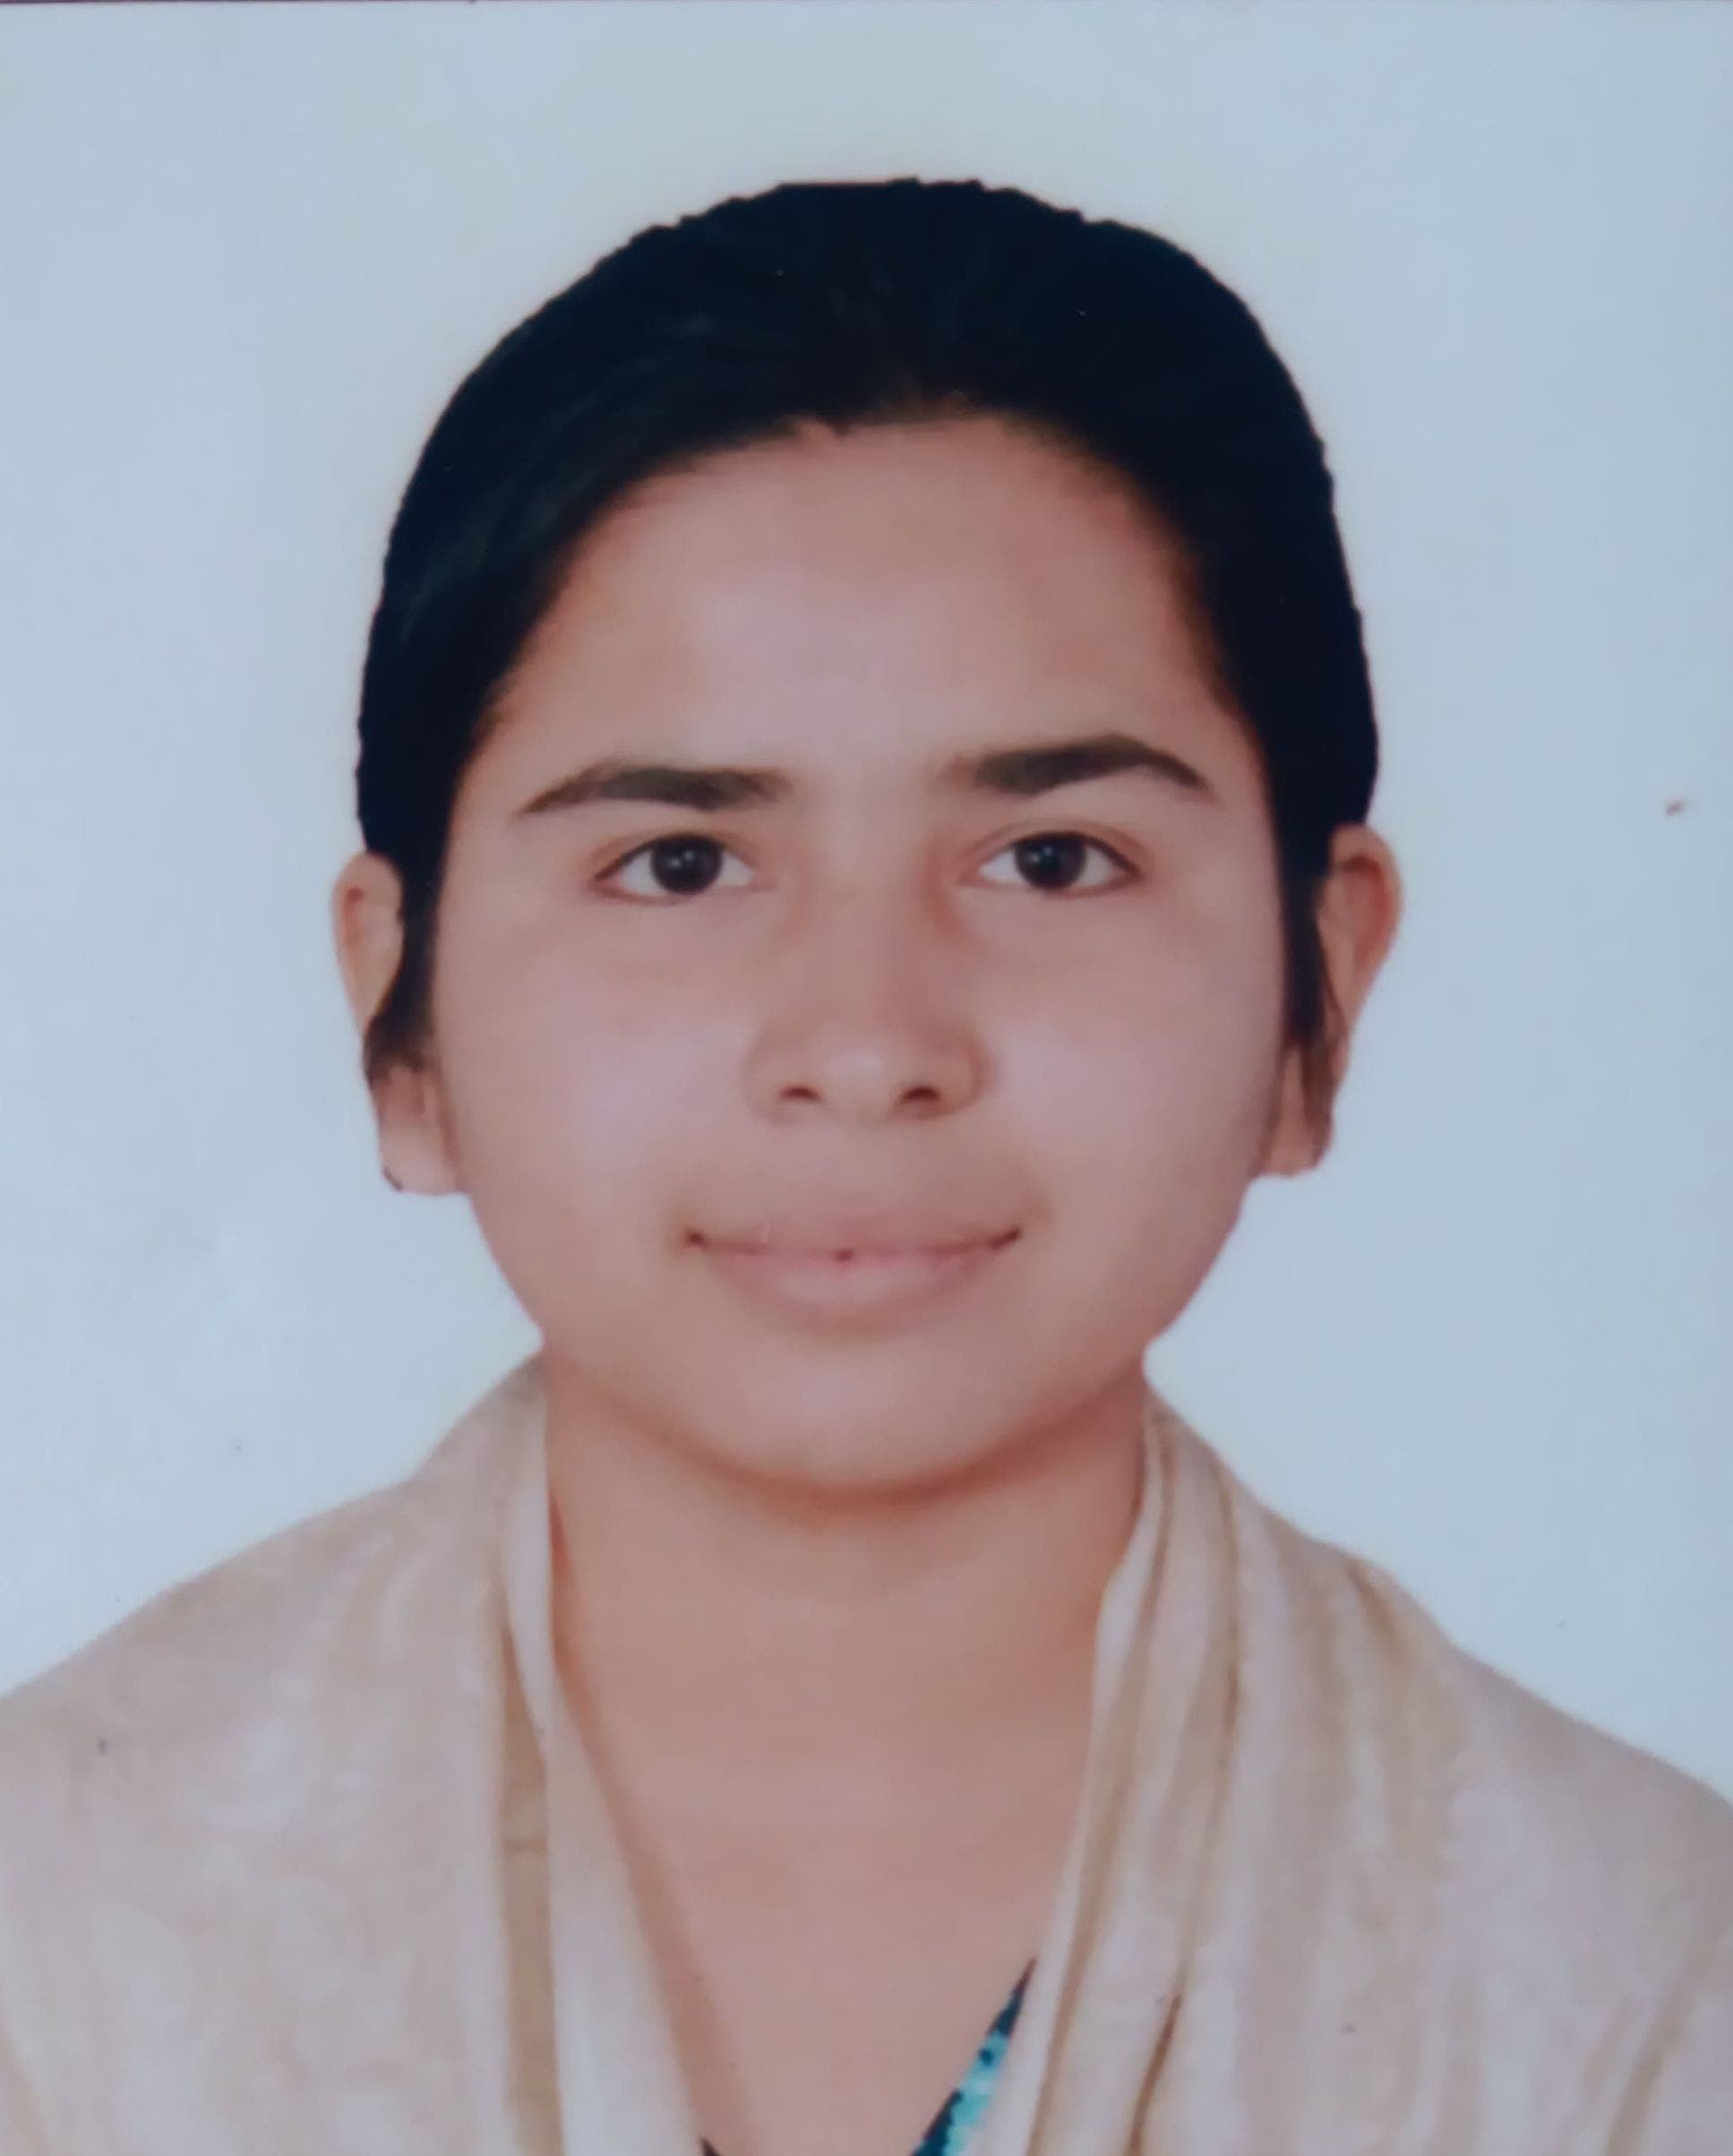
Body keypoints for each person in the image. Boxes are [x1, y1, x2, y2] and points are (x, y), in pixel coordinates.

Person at [0, 176, 1727, 2156]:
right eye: (679, 864)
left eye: (1051, 860)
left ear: (1314, 991)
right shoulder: (54, 1939)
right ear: (405, 1023)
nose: (866, 1044)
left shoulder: (1645, 1994)